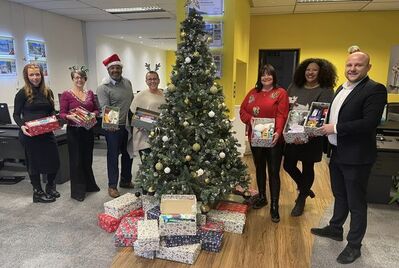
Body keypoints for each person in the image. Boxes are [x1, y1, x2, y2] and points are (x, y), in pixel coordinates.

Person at [311, 52, 387, 264]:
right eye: (349, 64)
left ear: (368, 68)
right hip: (337, 153)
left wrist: (333, 128)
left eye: (358, 65)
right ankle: (335, 228)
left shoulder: (375, 90)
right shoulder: (341, 88)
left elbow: (369, 123)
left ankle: (354, 246)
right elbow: (334, 115)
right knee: (340, 195)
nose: (353, 69)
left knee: (356, 203)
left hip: (357, 157)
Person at [283, 58, 337, 217]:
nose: (310, 72)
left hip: (312, 136)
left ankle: (301, 199)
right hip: (292, 133)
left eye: (314, 70)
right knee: (288, 165)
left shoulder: (326, 90)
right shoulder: (293, 86)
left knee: (308, 167)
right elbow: (287, 109)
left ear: (321, 73)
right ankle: (305, 189)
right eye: (308, 69)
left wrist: (306, 135)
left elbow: (321, 117)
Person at [240, 64, 289, 223]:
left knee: (274, 171)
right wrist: (250, 119)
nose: (266, 77)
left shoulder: (280, 93)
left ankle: (274, 205)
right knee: (259, 168)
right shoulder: (253, 93)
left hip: (274, 138)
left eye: (269, 75)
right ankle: (262, 197)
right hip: (256, 138)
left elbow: (282, 114)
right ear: (259, 77)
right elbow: (243, 111)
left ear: (274, 76)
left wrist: (279, 131)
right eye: (263, 75)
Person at [13, 63, 60, 203]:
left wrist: (53, 118)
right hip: (30, 134)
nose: (35, 77)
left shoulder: (47, 92)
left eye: (37, 74)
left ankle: (50, 186)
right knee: (34, 163)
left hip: (46, 132)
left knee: (54, 160)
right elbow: (16, 115)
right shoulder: (22, 93)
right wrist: (22, 126)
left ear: (42, 74)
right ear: (26, 76)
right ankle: (37, 192)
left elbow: (51, 110)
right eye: (31, 75)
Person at [59, 67, 100, 202]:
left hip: (88, 130)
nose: (79, 80)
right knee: (76, 161)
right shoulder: (66, 94)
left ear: (85, 79)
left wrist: (93, 114)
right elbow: (62, 113)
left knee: (87, 159)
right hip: (74, 131)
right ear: (73, 79)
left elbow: (96, 109)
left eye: (81, 77)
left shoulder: (90, 93)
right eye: (76, 77)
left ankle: (89, 185)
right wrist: (70, 117)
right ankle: (78, 191)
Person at [96, 54, 134, 198]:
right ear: (108, 70)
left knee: (128, 154)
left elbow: (131, 102)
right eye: (112, 68)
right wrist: (112, 125)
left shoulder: (128, 83)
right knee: (113, 156)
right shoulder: (103, 88)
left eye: (118, 67)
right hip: (113, 128)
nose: (115, 70)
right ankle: (112, 186)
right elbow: (105, 106)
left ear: (121, 69)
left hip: (127, 126)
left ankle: (125, 180)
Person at [129, 70, 166, 159]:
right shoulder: (140, 95)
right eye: (149, 79)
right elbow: (132, 113)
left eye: (155, 79)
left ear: (159, 80)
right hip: (145, 135)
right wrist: (142, 124)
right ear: (146, 81)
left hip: (161, 133)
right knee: (148, 165)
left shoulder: (163, 94)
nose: (152, 81)